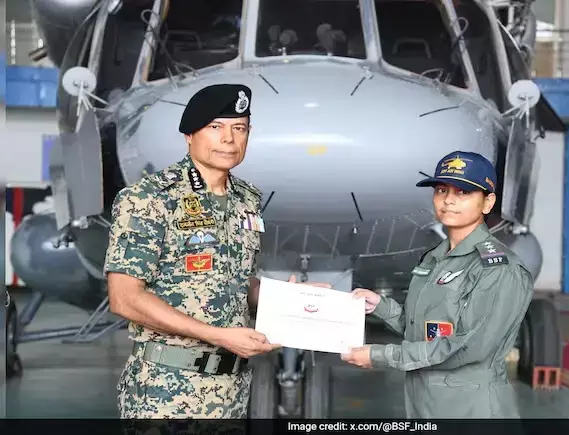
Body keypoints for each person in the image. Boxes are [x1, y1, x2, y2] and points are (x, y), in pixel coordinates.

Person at [104, 83, 329, 420]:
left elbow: (236, 283)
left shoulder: (247, 200)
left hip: (230, 391)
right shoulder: (148, 198)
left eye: (239, 128)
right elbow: (124, 298)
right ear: (189, 135)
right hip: (165, 391)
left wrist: (286, 298)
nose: (229, 139)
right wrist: (218, 336)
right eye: (215, 127)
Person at [341, 150, 534, 419]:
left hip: (472, 408)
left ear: (488, 202)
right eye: (442, 190)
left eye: (463, 192)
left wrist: (380, 355)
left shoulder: (498, 268)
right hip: (425, 401)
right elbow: (425, 329)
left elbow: (468, 348)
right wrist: (380, 307)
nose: (449, 200)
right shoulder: (435, 258)